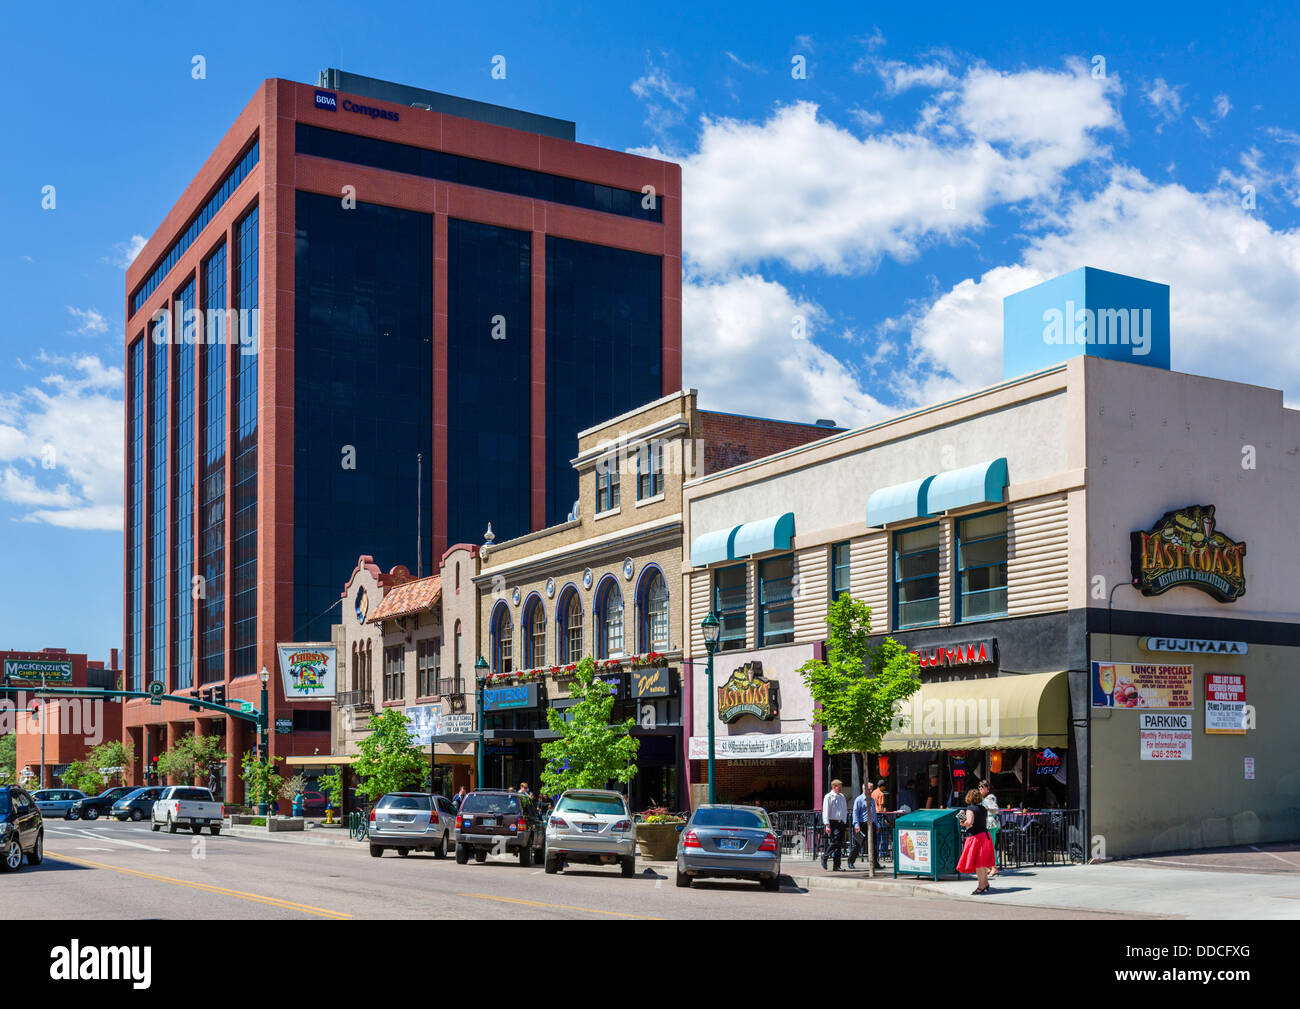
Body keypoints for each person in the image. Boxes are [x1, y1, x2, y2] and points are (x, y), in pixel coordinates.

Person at [956, 787, 995, 894]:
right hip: (985, 835)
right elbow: (984, 822)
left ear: (969, 798)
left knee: (979, 864)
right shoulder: (983, 808)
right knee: (982, 863)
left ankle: (981, 886)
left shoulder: (970, 808)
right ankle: (985, 883)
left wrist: (962, 822)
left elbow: (969, 822)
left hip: (976, 837)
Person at [821, 779, 848, 871]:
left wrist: (844, 820)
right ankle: (825, 856)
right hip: (833, 822)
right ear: (833, 787)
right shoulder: (828, 797)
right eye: (838, 787)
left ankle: (836, 865)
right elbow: (825, 811)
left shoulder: (842, 796)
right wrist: (827, 824)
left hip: (841, 822)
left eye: (841, 787)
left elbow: (844, 809)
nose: (840, 788)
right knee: (835, 841)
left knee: (839, 845)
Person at [979, 779, 1001, 879]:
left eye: (982, 786)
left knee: (990, 846)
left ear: (987, 788)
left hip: (991, 824)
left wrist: (988, 809)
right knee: (987, 846)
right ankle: (989, 867)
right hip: (988, 824)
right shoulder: (985, 798)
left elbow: (996, 809)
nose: (980, 788)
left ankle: (994, 867)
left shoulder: (990, 797)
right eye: (979, 786)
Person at [848, 783, 872, 869]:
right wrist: (856, 825)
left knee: (874, 844)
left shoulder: (872, 799)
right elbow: (855, 813)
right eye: (869, 789)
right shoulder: (859, 800)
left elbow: (874, 813)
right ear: (864, 789)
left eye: (871, 789)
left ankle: (875, 863)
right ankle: (850, 861)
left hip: (871, 824)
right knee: (858, 844)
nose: (871, 791)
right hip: (862, 824)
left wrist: (876, 824)